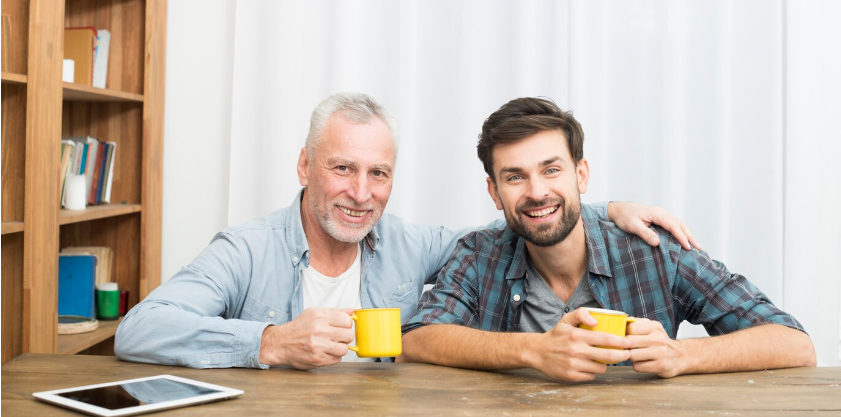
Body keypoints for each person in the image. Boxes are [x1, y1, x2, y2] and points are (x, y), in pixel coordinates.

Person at [115, 93, 698, 370]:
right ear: (304, 167)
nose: (361, 193)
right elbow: (140, 330)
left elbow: (525, 217)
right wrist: (268, 342)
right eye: (342, 168)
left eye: (379, 174)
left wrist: (609, 206)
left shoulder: (413, 244)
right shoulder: (245, 249)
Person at [400, 97, 816, 381]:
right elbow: (416, 340)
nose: (536, 192)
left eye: (551, 170)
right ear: (494, 193)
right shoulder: (479, 255)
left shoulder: (653, 251)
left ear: (581, 175)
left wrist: (682, 355)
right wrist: (534, 351)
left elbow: (794, 345)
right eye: (515, 177)